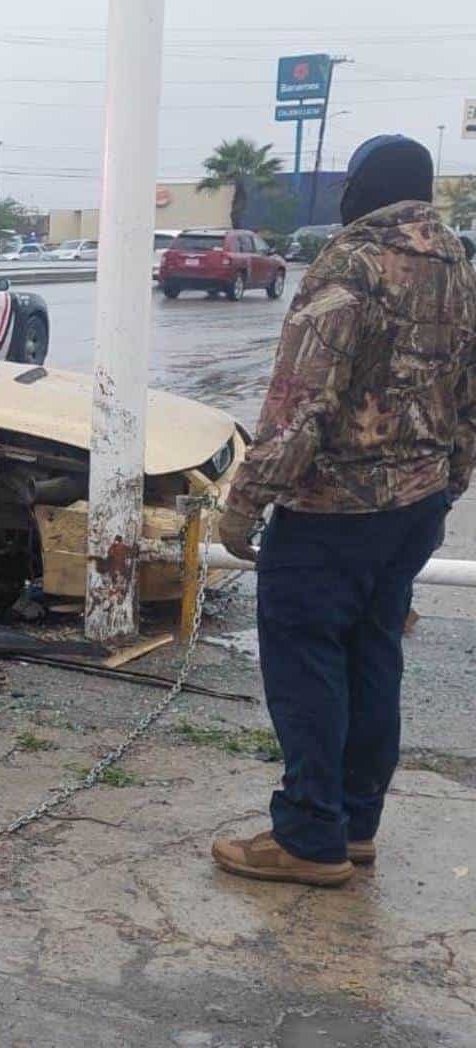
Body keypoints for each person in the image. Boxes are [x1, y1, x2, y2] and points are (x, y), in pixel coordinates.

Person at [213, 135, 476, 886]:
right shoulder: (460, 265)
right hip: (418, 507)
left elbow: (301, 399)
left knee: (307, 661)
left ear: (361, 186)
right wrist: (449, 478)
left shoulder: (351, 263)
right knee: (374, 656)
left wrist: (247, 500)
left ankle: (308, 835)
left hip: (334, 513)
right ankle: (356, 824)